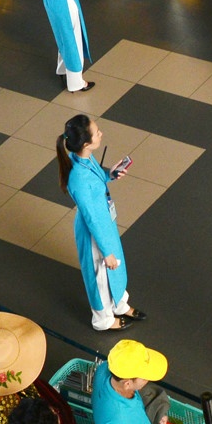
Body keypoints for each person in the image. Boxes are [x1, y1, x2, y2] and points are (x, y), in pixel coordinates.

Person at [56, 114, 144, 332]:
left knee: (114, 266)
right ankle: (103, 319)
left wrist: (110, 174)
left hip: (104, 223)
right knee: (100, 276)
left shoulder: (84, 159)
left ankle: (119, 303)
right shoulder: (78, 177)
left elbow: (96, 184)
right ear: (86, 143)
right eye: (97, 133)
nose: (100, 133)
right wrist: (106, 252)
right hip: (94, 231)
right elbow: (91, 219)